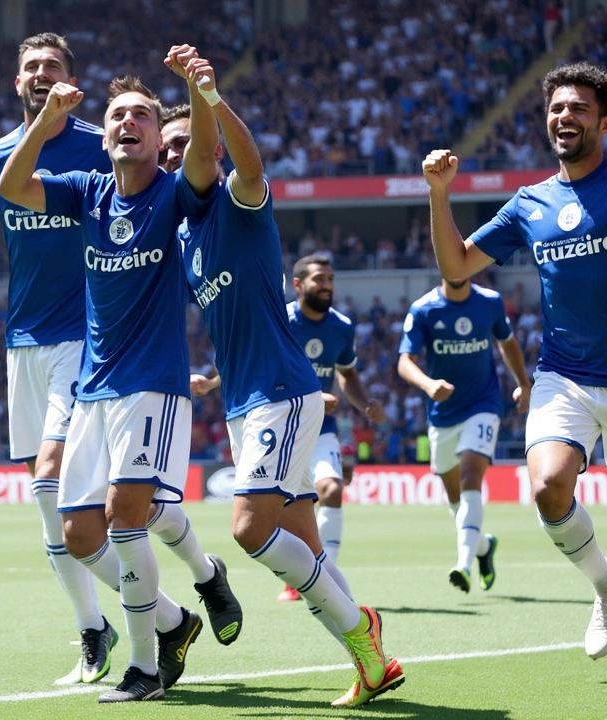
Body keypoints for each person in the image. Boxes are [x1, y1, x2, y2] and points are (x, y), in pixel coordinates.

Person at [422, 63, 607, 683]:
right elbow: (455, 265)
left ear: (605, 123)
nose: (565, 117)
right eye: (557, 108)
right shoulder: (529, 203)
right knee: (547, 488)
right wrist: (438, 192)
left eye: (579, 109)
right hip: (562, 373)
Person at [0, 33, 238, 686]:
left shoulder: (156, 182)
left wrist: (200, 92)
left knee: (121, 513)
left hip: (127, 368)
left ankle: (140, 658)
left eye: (142, 114)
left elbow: (199, 157)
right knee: (77, 524)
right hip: (62, 365)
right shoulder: (77, 184)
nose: (130, 123)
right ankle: (174, 608)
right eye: (29, 66)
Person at [170, 52, 403, 708]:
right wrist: (207, 377)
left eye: (182, 145)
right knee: (302, 545)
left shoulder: (235, 206)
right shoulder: (185, 242)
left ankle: (362, 629)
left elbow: (249, 165)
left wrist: (208, 99)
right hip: (244, 402)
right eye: (167, 152)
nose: (174, 158)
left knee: (248, 530)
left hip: (281, 391)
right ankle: (372, 662)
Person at [398, 279, 531, 592]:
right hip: (442, 414)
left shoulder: (490, 302)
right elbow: (405, 361)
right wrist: (428, 385)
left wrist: (523, 383)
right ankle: (484, 547)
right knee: (455, 496)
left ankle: (464, 564)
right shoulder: (423, 309)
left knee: (471, 476)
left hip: (483, 405)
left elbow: (507, 341)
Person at [277, 255, 385, 603]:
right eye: (319, 279)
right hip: (282, 425)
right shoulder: (281, 320)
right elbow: (264, 369)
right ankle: (294, 576)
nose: (327, 286)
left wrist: (364, 402)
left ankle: (324, 580)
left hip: (322, 427)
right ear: (298, 285)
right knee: (284, 505)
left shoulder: (341, 326)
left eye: (330, 279)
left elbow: (348, 374)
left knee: (332, 489)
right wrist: (309, 396)